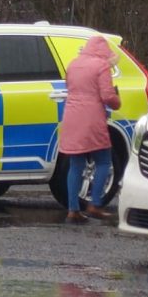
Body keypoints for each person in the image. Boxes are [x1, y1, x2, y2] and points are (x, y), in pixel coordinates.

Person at [59, 35, 121, 224]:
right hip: (92, 118)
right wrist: (117, 102)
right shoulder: (101, 67)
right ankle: (95, 204)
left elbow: (70, 87)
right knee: (103, 161)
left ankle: (73, 210)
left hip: (72, 117)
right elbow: (107, 95)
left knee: (76, 164)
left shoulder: (73, 64)